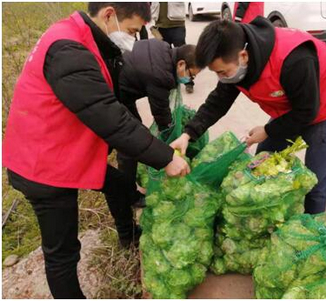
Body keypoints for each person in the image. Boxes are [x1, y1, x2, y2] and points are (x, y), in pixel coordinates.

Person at [2, 3, 189, 299]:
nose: (134, 37)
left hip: (62, 151)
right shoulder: (69, 51)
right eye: (131, 30)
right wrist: (164, 158)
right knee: (63, 254)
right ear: (109, 14)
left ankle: (129, 237)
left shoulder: (82, 39)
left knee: (118, 185)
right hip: (43, 166)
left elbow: (113, 107)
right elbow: (108, 117)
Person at [171, 18, 326, 215]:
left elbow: (307, 111)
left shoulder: (294, 59)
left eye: (223, 72)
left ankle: (312, 230)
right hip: (289, 108)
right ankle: (265, 215)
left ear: (243, 56)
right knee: (261, 162)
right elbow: (217, 102)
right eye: (217, 73)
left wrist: (267, 130)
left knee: (314, 183)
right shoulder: (235, 62)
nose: (222, 78)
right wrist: (188, 134)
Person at [117, 40, 200, 198]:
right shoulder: (161, 75)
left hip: (123, 87)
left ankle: (129, 182)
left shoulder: (163, 48)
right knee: (130, 139)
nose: (190, 80)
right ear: (181, 64)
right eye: (191, 75)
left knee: (136, 129)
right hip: (117, 94)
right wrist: (170, 140)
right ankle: (129, 192)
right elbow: (161, 114)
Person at [150, 2, 195, 94]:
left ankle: (188, 82)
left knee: (182, 53)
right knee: (165, 55)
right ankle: (170, 81)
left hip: (177, 24)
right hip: (160, 25)